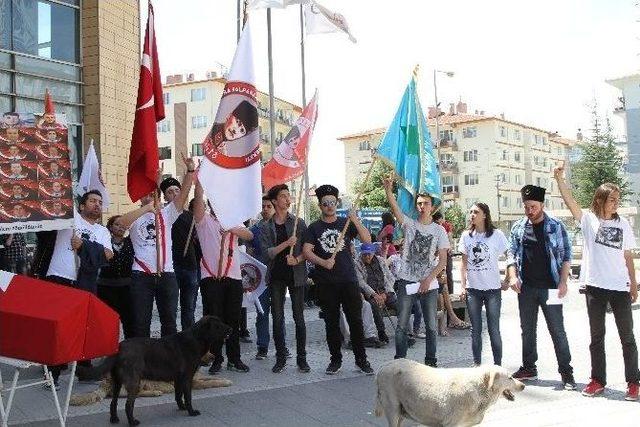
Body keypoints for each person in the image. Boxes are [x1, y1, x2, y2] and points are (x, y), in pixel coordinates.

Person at [554, 162, 639, 400]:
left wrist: (633, 283)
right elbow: (570, 202)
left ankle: (634, 382)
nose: (616, 202)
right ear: (600, 200)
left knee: (627, 337)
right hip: (595, 287)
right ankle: (597, 380)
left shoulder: (623, 224)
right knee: (596, 337)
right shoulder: (589, 220)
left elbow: (628, 255)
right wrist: (560, 180)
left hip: (619, 287)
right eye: (612, 199)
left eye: (617, 198)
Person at [33, 190, 113, 388]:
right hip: (59, 277)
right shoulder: (72, 218)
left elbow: (108, 254)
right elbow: (56, 200)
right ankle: (53, 374)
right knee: (57, 328)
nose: (97, 204)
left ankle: (84, 371)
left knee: (82, 328)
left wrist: (84, 245)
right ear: (82, 206)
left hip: (83, 282)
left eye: (99, 202)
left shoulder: (103, 231)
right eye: (92, 201)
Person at [117, 154, 195, 338]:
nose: (149, 195)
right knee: (141, 321)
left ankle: (167, 363)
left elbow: (183, 194)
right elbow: (120, 224)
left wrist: (190, 171)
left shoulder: (167, 213)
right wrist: (146, 208)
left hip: (166, 274)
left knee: (169, 322)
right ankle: (142, 363)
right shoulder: (136, 214)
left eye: (152, 192)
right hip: (141, 275)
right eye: (145, 193)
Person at [506, 184, 576, 390]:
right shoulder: (518, 227)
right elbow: (511, 255)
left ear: (542, 205)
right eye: (526, 207)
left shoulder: (556, 225)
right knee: (527, 330)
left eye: (533, 207)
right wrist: (512, 276)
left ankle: (566, 372)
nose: (529, 211)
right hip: (526, 289)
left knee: (557, 330)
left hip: (551, 288)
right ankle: (529, 367)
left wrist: (563, 282)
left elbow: (566, 256)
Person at [302, 184, 374, 375]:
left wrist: (355, 220)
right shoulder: (314, 228)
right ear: (320, 206)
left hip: (348, 280)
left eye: (332, 202)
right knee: (331, 322)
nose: (329, 206)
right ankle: (335, 360)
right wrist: (323, 262)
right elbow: (306, 251)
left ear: (337, 203)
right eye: (325, 203)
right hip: (326, 282)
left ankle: (361, 359)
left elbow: (367, 240)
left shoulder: (345, 223)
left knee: (356, 321)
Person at [383, 176, 449, 366]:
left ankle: (431, 361)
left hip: (429, 282)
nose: (422, 206)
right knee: (402, 324)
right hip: (406, 280)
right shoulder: (409, 224)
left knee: (430, 325)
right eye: (419, 203)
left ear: (432, 206)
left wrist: (429, 279)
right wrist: (389, 190)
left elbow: (443, 260)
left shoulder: (439, 230)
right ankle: (400, 362)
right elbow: (396, 210)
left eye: (426, 203)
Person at [193, 180, 253, 374]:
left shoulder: (233, 221)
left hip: (233, 277)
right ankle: (216, 358)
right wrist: (200, 182)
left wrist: (231, 228)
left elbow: (249, 235)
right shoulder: (204, 220)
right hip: (211, 277)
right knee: (214, 320)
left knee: (232, 319)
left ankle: (234, 358)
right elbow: (198, 202)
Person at [259, 184, 309, 373]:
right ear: (274, 201)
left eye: (288, 196)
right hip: (276, 277)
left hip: (296, 275)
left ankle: (302, 359)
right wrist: (286, 244)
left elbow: (307, 250)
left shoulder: (298, 223)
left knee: (299, 318)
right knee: (277, 318)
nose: (287, 199)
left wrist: (296, 258)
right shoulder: (266, 226)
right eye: (283, 196)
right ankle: (280, 357)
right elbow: (267, 253)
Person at [458, 203, 509, 366]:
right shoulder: (466, 236)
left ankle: (497, 366)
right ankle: (477, 364)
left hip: (493, 289)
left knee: (494, 329)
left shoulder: (497, 235)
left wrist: (508, 278)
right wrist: (462, 285)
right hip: (473, 290)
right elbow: (463, 263)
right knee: (476, 330)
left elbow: (510, 255)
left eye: (476, 212)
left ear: (485, 215)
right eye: (471, 212)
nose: (472, 215)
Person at [163, 177, 200, 331]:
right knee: (170, 309)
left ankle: (188, 339)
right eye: (170, 192)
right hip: (170, 267)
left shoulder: (191, 217)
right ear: (165, 196)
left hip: (190, 266)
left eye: (178, 190)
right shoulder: (163, 215)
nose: (175, 194)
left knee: (189, 308)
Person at [97, 215, 134, 339]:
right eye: (117, 224)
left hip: (127, 288)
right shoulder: (103, 240)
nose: (120, 227)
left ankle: (129, 350)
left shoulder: (131, 242)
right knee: (108, 322)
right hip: (105, 288)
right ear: (110, 227)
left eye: (123, 225)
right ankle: (109, 351)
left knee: (129, 321)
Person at [432, 210, 469, 334]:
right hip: (425, 284)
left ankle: (447, 323)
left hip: (434, 283)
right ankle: (450, 320)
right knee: (442, 290)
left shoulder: (444, 229)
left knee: (443, 290)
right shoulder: (431, 251)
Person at [354, 242, 396, 344]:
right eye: (365, 254)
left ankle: (405, 332)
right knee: (374, 304)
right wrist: (374, 294)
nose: (367, 256)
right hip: (370, 294)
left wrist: (385, 294)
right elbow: (361, 283)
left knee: (400, 304)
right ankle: (381, 332)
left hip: (385, 292)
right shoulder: (357, 263)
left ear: (373, 253)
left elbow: (390, 278)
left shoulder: (380, 261)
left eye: (369, 254)